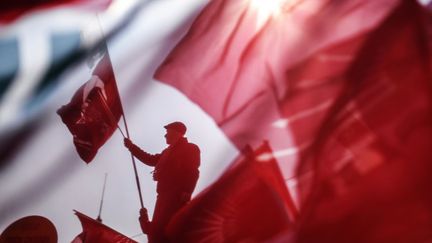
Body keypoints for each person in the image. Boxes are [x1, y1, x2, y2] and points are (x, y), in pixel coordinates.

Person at [124, 121, 200, 243]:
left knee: (167, 229)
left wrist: (187, 191)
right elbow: (149, 159)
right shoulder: (166, 153)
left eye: (167, 132)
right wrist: (131, 147)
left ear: (177, 132)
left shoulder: (191, 148)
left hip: (177, 196)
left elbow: (193, 170)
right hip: (163, 196)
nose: (165, 136)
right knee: (158, 230)